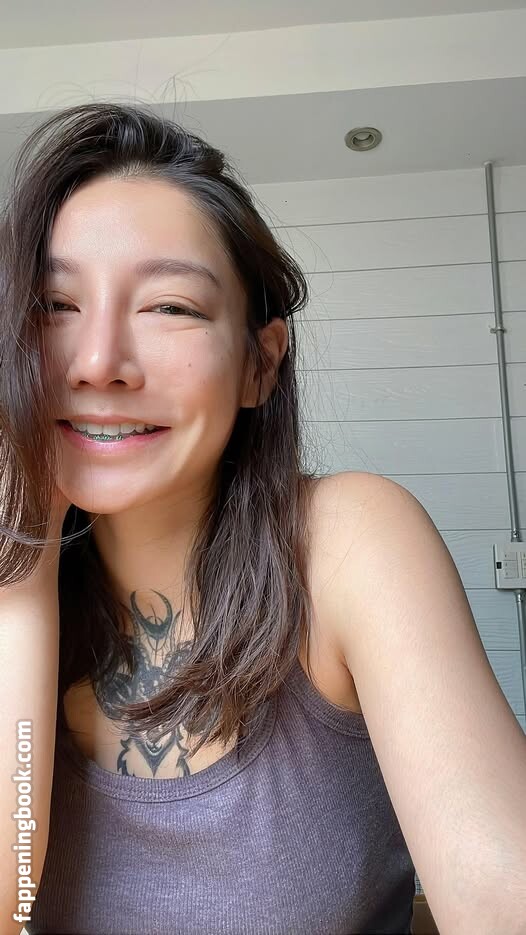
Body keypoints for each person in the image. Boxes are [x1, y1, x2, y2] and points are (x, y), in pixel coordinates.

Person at [0, 102, 524, 935]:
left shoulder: (348, 541)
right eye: (54, 306)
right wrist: (22, 565)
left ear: (260, 362)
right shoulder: (14, 593)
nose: (97, 362)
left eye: (169, 306)